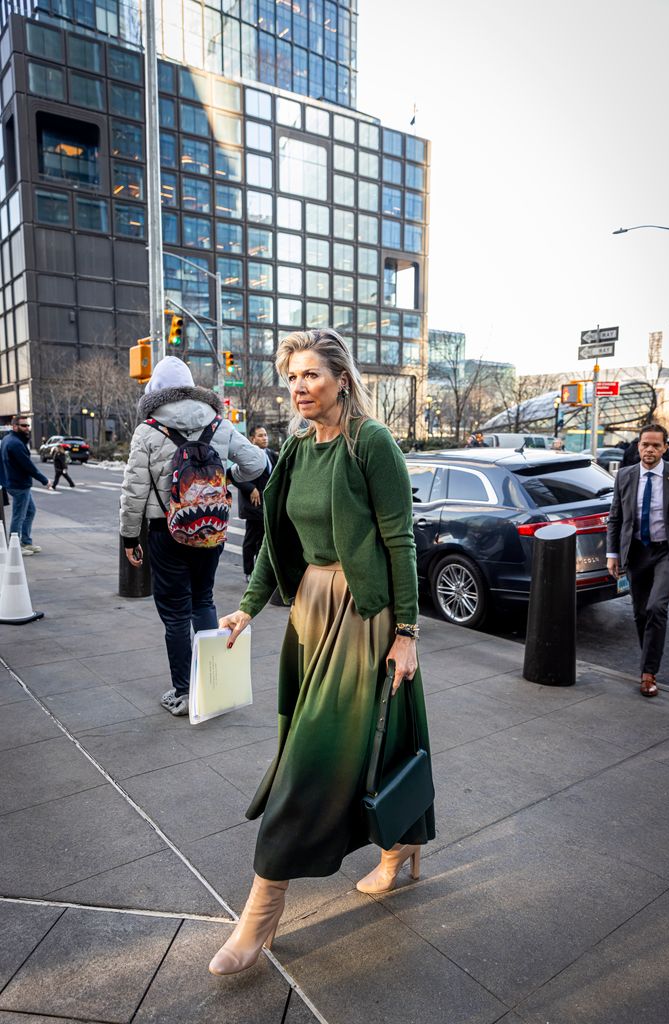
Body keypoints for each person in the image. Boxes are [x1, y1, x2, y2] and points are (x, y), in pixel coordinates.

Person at [208, 328, 435, 977]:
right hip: (308, 611)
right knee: (373, 741)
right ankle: (402, 845)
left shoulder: (372, 443)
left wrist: (406, 633)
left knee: (309, 760)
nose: (299, 388)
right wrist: (248, 609)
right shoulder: (296, 451)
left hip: (362, 615)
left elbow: (400, 543)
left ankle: (260, 914)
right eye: (291, 378)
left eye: (310, 374)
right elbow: (276, 546)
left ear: (341, 378)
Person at [119, 356, 266, 717]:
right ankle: (210, 684)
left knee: (174, 614)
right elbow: (258, 463)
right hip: (211, 532)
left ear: (155, 390)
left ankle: (184, 693)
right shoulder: (219, 424)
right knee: (203, 601)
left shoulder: (149, 431)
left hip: (165, 532)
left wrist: (128, 538)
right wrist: (225, 476)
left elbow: (134, 490)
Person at [607, 423, 669, 698]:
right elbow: (615, 517)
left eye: (655, 445)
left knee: (656, 607)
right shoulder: (625, 475)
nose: (649, 449)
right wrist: (613, 554)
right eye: (644, 444)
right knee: (640, 613)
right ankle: (648, 663)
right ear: (638, 446)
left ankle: (648, 673)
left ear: (665, 448)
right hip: (636, 552)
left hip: (668, 552)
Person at [0, 415, 53, 555]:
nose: (27, 428)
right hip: (19, 484)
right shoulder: (15, 443)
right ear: (15, 426)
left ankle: (26, 542)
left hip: (14, 482)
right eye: (23, 425)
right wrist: (44, 480)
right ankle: (15, 546)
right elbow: (28, 466)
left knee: (30, 511)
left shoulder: (8, 440)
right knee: (19, 515)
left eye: (28, 425)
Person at [234, 425, 278, 581]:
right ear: (252, 439)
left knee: (264, 541)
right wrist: (251, 488)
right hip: (253, 505)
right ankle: (248, 571)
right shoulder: (247, 455)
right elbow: (234, 475)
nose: (264, 438)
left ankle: (261, 572)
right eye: (260, 435)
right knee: (251, 540)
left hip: (268, 506)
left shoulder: (272, 455)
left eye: (265, 435)